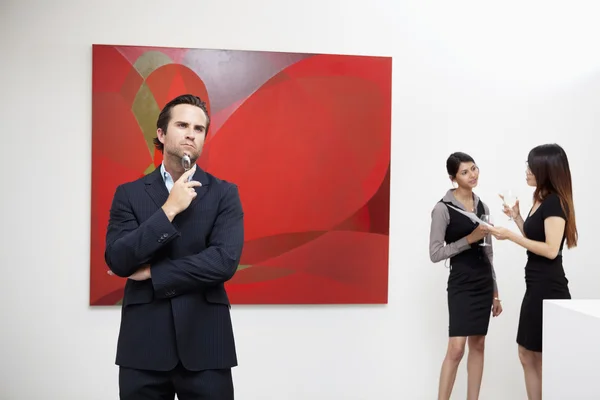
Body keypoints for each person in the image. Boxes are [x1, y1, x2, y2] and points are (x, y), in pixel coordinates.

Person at [104, 94, 244, 400]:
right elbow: (119, 259)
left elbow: (223, 262)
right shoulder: (128, 195)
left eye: (199, 128)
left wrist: (155, 272)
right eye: (182, 125)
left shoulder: (224, 194)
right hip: (142, 347)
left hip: (207, 345)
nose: (191, 133)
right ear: (162, 133)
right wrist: (168, 210)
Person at [489, 143, 576, 400]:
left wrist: (509, 235)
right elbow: (535, 236)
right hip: (535, 285)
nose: (526, 171)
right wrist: (517, 218)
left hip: (549, 287)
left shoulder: (555, 203)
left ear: (546, 169)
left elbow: (550, 249)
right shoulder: (540, 199)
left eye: (531, 166)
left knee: (545, 357)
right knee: (527, 353)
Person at [429, 152, 502, 400]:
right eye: (465, 172)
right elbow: (436, 253)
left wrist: (496, 293)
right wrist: (468, 240)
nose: (472, 175)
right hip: (461, 283)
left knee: (478, 345)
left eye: (474, 168)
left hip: (483, 281)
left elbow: (489, 252)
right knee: (456, 349)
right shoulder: (442, 208)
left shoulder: (484, 207)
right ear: (453, 178)